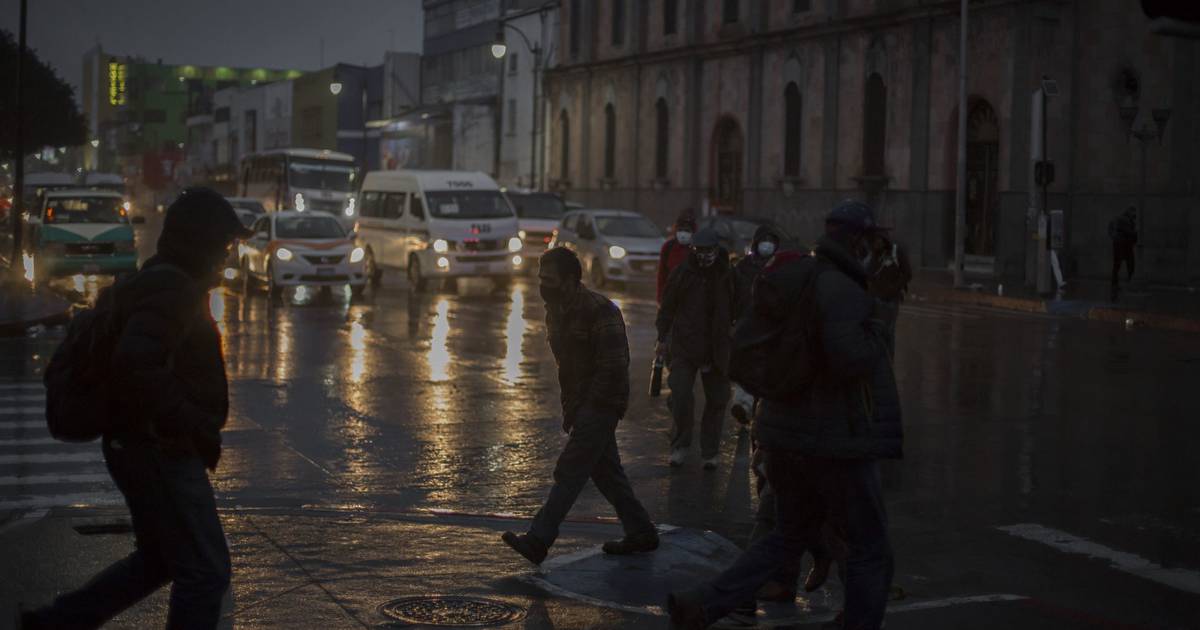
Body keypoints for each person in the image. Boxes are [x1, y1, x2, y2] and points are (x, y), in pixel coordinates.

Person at [21, 188, 252, 630]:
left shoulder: (163, 279)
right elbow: (135, 363)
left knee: (160, 560)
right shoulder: (173, 289)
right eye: (224, 243)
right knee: (206, 572)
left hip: (141, 446)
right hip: (159, 449)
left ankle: (56, 623)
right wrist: (189, 422)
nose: (228, 253)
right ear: (200, 241)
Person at [667, 200, 902, 630]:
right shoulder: (841, 289)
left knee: (786, 536)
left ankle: (701, 604)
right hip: (832, 441)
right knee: (870, 547)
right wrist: (882, 314)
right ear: (858, 241)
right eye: (872, 241)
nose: (876, 249)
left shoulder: (808, 278)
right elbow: (852, 357)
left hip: (785, 435)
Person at [501, 247, 658, 565]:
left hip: (603, 401)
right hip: (581, 403)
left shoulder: (600, 311)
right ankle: (642, 532)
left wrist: (588, 411)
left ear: (571, 281)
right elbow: (566, 366)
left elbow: (613, 368)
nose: (543, 285)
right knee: (607, 474)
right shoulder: (556, 310)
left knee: (570, 469)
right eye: (540, 278)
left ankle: (539, 540)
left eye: (550, 279)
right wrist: (571, 407)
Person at [656, 228, 734, 469]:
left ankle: (710, 453)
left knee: (717, 401)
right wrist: (661, 338)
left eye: (709, 251)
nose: (704, 256)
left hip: (717, 350)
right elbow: (667, 308)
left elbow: (742, 308)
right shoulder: (682, 274)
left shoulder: (728, 276)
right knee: (680, 395)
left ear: (716, 250)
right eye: (700, 251)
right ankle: (680, 445)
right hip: (684, 347)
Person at [729, 224, 782, 425]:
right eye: (764, 240)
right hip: (746, 324)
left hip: (770, 327)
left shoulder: (779, 268)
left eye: (771, 241)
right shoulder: (743, 268)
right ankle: (743, 405)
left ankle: (758, 410)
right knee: (746, 366)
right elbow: (733, 296)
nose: (767, 245)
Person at [864, 230, 912, 358]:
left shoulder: (896, 253)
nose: (876, 243)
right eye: (874, 240)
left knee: (889, 332)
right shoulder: (873, 255)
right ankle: (879, 358)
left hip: (891, 300)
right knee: (875, 330)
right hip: (875, 299)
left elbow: (907, 273)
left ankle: (888, 360)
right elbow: (868, 275)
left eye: (878, 240)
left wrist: (893, 289)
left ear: (884, 240)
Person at [657, 209, 697, 303]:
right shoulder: (668, 247)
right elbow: (662, 274)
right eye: (680, 230)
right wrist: (660, 297)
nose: (683, 233)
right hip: (671, 296)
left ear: (693, 232)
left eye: (687, 230)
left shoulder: (698, 248)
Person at [1109, 206, 1138, 301]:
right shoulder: (1125, 220)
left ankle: (1116, 284)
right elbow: (1130, 232)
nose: (1134, 215)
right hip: (1123, 244)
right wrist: (1135, 235)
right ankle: (1128, 283)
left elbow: (1111, 228)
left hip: (1120, 244)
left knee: (1118, 265)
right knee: (1129, 264)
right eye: (1133, 213)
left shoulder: (1121, 218)